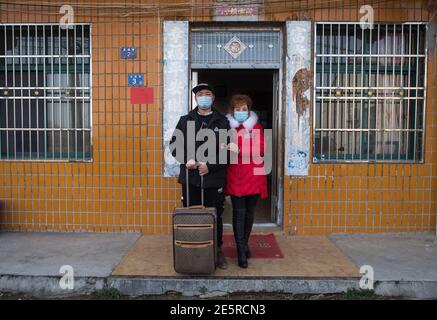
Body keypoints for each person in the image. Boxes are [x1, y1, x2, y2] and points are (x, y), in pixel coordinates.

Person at [170, 83, 230, 269]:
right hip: (191, 179)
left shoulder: (222, 122)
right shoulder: (185, 120)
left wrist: (209, 166)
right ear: (196, 98)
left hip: (213, 179)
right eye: (200, 94)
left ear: (212, 98)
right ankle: (191, 249)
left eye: (208, 94)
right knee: (191, 214)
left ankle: (217, 251)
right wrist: (186, 158)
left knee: (215, 215)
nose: (204, 96)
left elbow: (228, 151)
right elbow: (174, 146)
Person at [225, 94, 268, 268]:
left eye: (244, 109)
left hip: (254, 176)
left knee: (250, 214)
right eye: (237, 109)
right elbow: (221, 148)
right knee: (239, 214)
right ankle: (241, 251)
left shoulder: (256, 127)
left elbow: (262, 148)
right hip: (235, 176)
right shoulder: (227, 128)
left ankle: (244, 244)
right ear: (232, 110)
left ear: (249, 110)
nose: (241, 112)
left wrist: (239, 148)